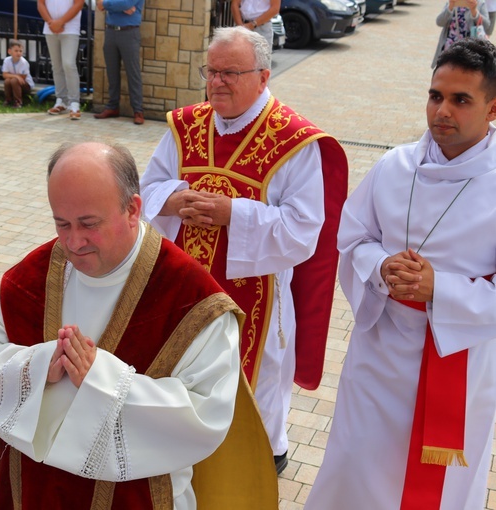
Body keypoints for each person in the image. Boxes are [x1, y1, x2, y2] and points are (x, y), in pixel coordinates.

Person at [0, 141, 278, 509]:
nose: (73, 242)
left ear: (132, 209)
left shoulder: (192, 299)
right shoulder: (33, 278)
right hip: (31, 493)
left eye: (89, 224)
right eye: (62, 223)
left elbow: (207, 416)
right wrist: (39, 366)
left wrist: (102, 380)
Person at [139, 26, 348, 475]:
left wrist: (234, 213)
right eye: (211, 71)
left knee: (258, 380)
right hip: (185, 285)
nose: (217, 82)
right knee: (183, 370)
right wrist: (173, 201)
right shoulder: (186, 126)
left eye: (230, 72)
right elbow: (148, 187)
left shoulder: (293, 140)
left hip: (257, 295)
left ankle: (257, 463)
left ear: (264, 76)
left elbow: (303, 229)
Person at [306, 38, 496, 510]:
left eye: (460, 99)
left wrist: (441, 289)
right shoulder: (395, 166)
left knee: (440, 490)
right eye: (435, 95)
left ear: (493, 108)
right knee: (356, 467)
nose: (442, 111)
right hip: (379, 353)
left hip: (460, 360)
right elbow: (352, 238)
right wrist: (379, 265)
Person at [94, 0, 145, 125]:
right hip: (111, 32)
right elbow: (99, 2)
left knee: (133, 73)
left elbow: (125, 4)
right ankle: (112, 106)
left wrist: (107, 4)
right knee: (112, 71)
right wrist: (119, 6)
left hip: (129, 32)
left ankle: (138, 110)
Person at [39, 0, 84, 119]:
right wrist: (50, 22)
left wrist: (60, 22)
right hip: (50, 29)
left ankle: (74, 102)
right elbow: (40, 3)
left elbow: (79, 4)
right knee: (56, 66)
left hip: (70, 29)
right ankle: (61, 100)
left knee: (68, 64)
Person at [433, 0, 490, 68]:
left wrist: (474, 11)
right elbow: (439, 22)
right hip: (449, 47)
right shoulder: (452, 2)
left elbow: (486, 25)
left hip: (470, 49)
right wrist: (450, 7)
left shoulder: (480, 3)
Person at [2, 39, 35, 108]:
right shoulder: (7, 60)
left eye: (20, 51)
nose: (19, 53)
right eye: (16, 51)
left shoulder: (24, 62)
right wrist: (16, 76)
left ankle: (18, 102)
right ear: (9, 51)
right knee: (7, 81)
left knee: (13, 80)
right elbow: (4, 75)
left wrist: (13, 76)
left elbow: (22, 78)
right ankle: (8, 100)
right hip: (14, 82)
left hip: (26, 85)